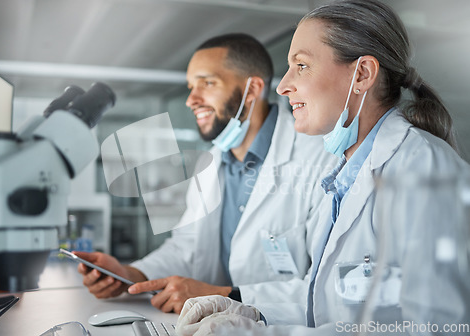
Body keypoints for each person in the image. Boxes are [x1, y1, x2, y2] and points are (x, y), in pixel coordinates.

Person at [176, 1, 470, 335]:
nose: (283, 85)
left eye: (301, 65)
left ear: (361, 75)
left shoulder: (423, 169)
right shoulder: (349, 172)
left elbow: (436, 325)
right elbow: (328, 300)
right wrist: (247, 307)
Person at [76, 33, 335, 314]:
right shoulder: (211, 162)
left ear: (252, 91)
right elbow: (187, 248)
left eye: (208, 83)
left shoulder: (319, 158)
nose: (191, 100)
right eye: (190, 87)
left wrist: (222, 296)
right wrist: (130, 274)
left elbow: (325, 289)